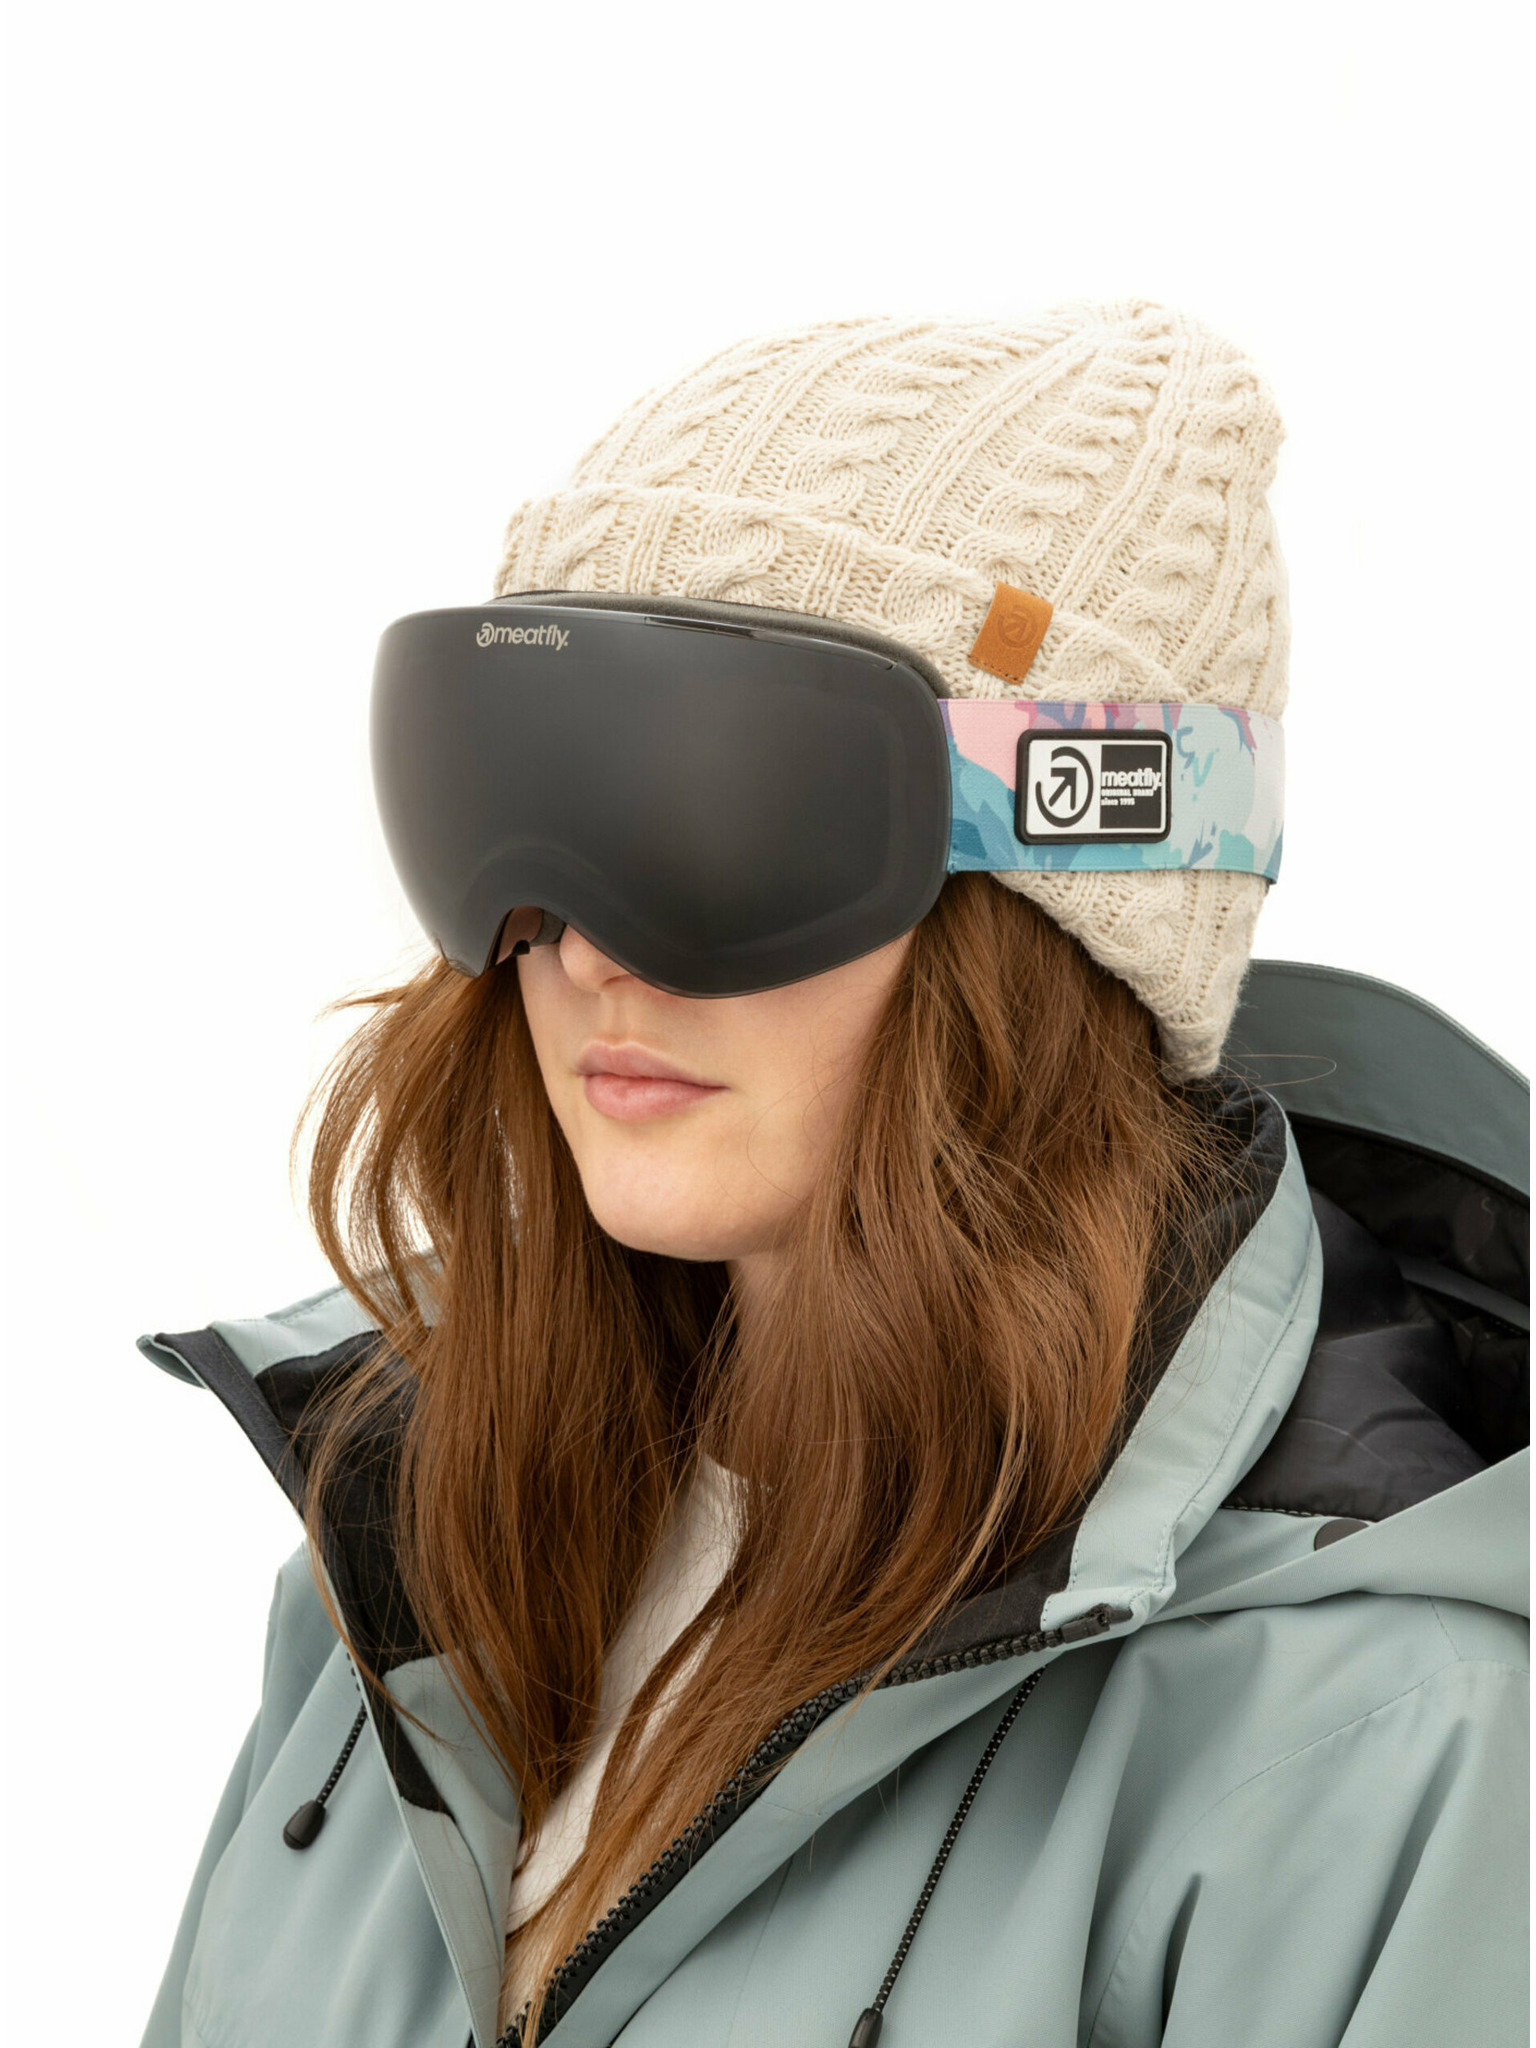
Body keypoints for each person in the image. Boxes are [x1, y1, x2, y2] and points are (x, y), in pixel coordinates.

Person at [138, 303, 1528, 2048]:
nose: (590, 955)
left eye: (723, 818)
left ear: (1072, 864)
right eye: (525, 796)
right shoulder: (413, 1573)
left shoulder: (1376, 1745)